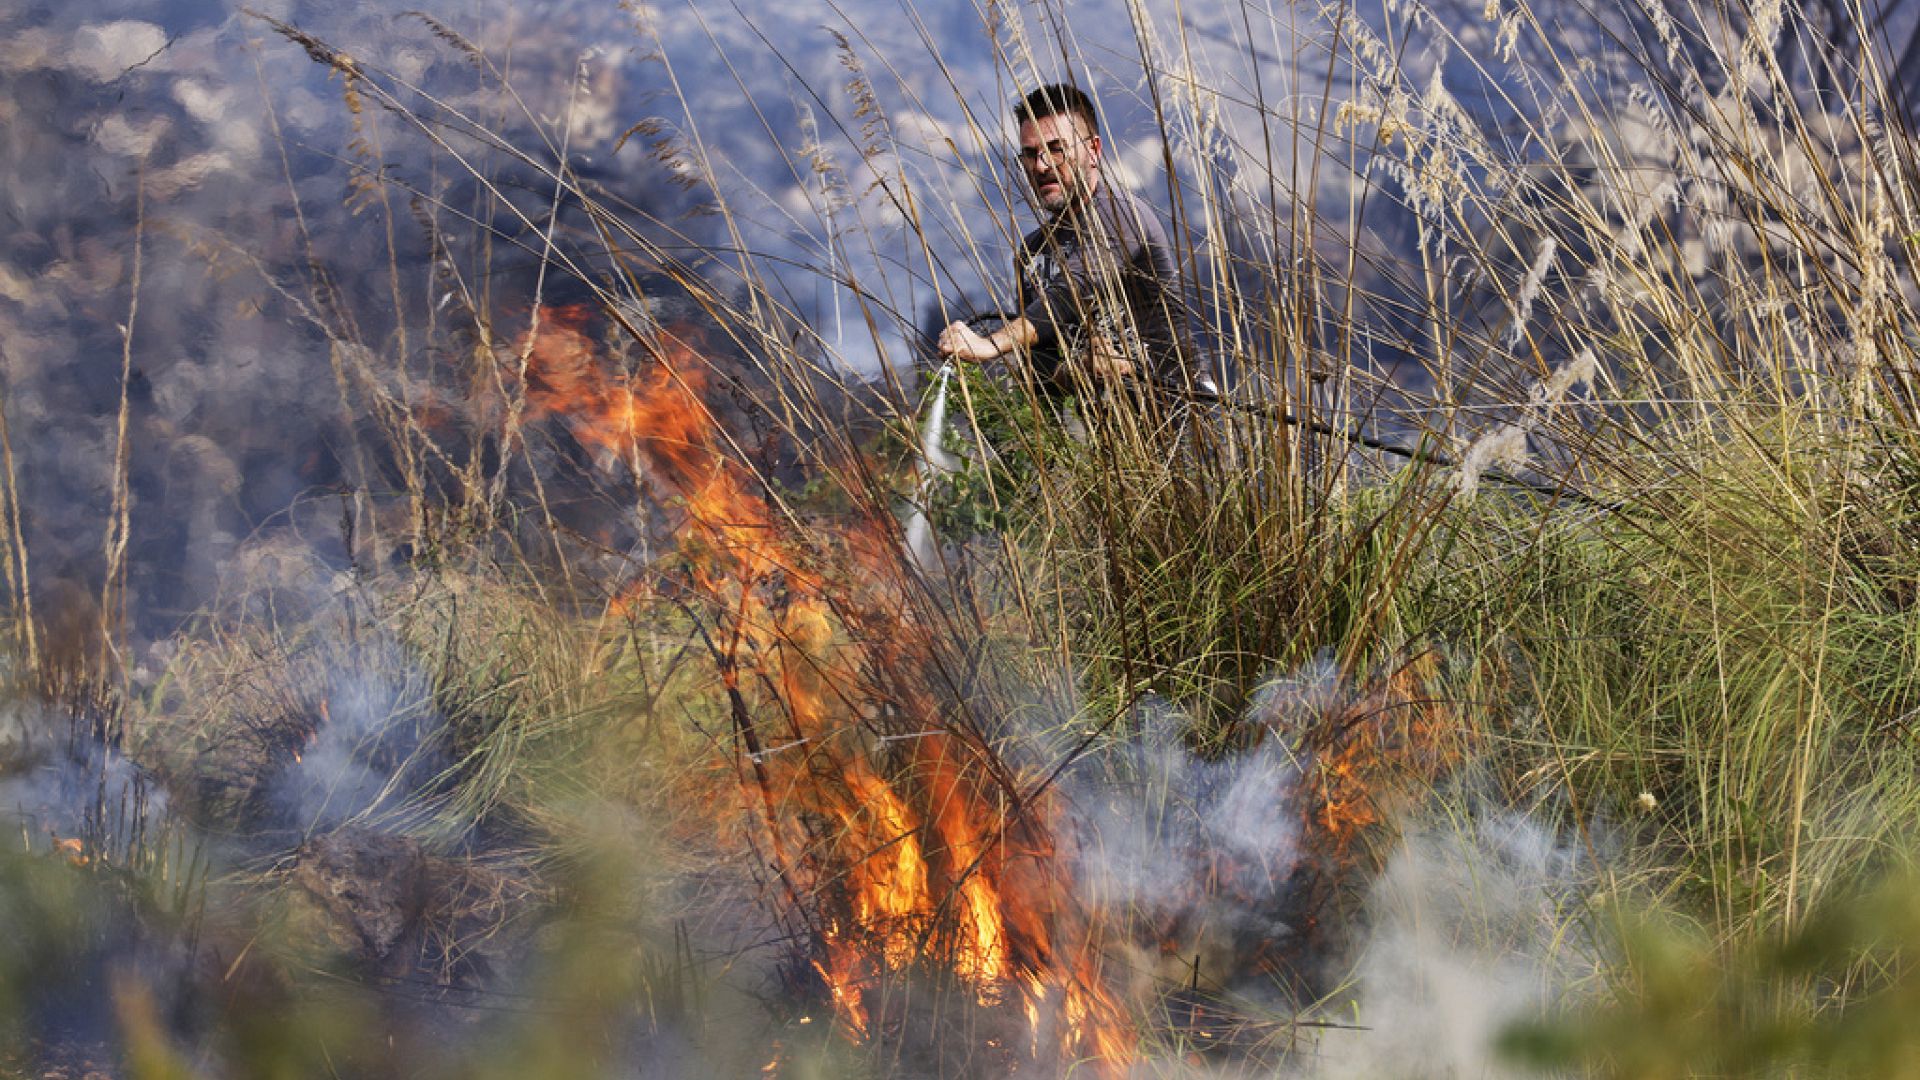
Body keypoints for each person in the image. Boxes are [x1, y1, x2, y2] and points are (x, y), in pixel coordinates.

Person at [936, 83, 1205, 401]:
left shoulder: (1121, 215)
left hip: (1182, 421)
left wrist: (989, 345)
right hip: (1106, 442)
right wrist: (1076, 371)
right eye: (1031, 154)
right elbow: (1041, 371)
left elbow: (1073, 290)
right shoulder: (1032, 253)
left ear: (1093, 150)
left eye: (1055, 148)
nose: (1041, 166)